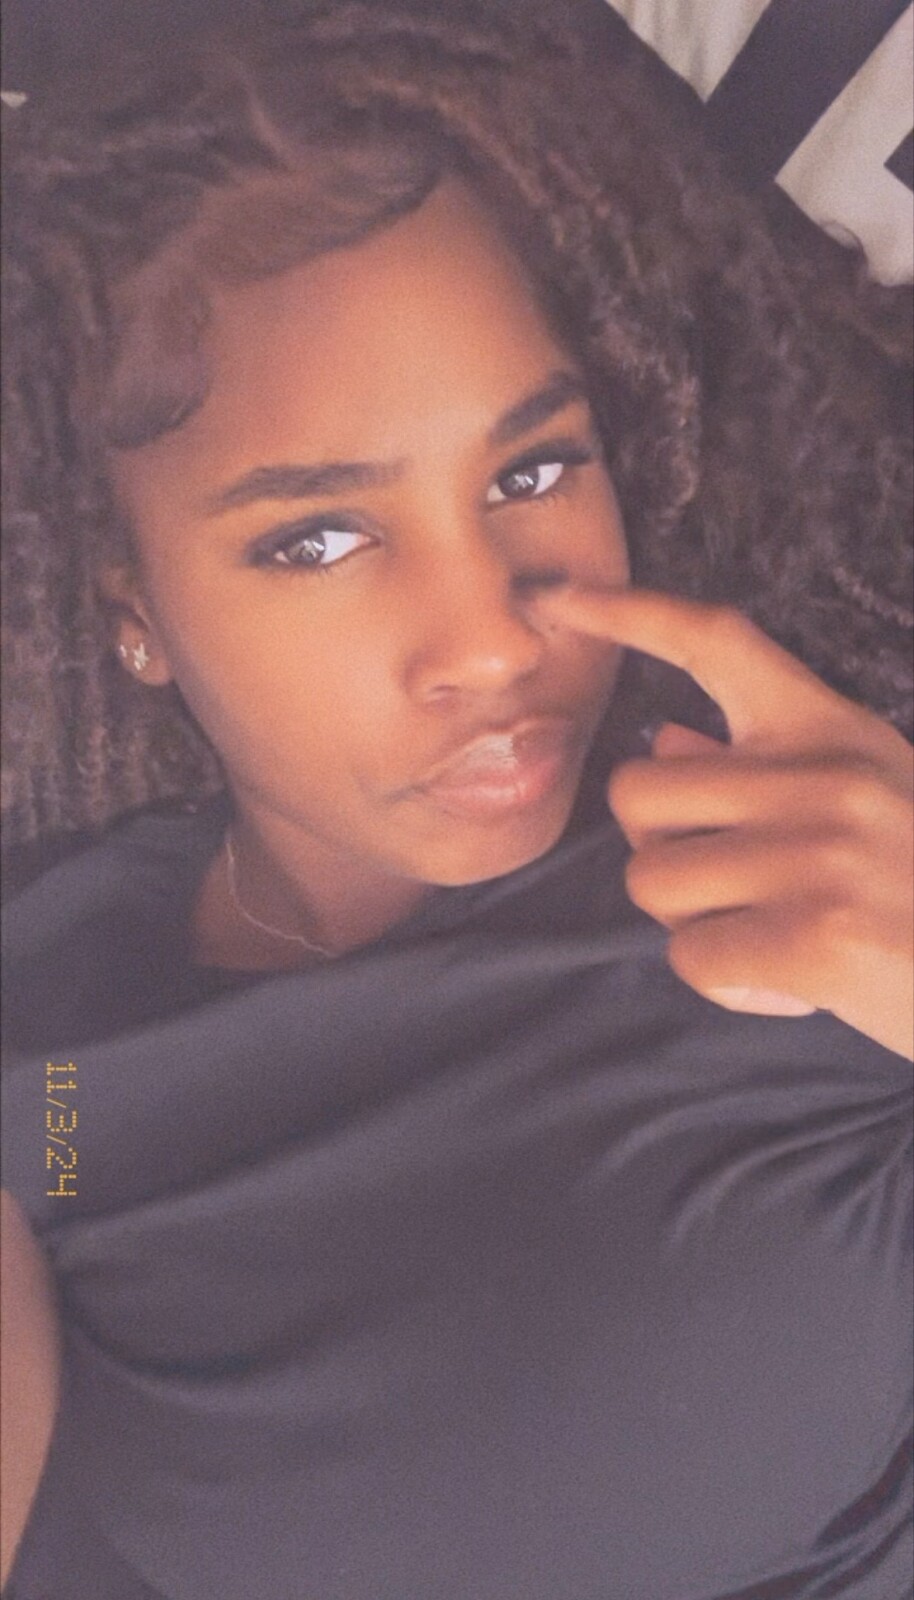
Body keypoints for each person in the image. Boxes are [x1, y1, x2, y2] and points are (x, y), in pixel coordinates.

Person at [1, 3, 912, 1595]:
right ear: (131, 607)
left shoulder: (828, 872)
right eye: (318, 540)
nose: (493, 638)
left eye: (532, 471)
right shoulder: (58, 1046)